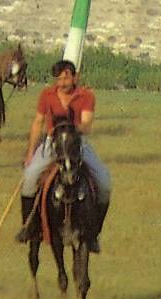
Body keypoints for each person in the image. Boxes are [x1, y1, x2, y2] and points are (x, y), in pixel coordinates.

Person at [16, 60, 112, 252]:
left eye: (66, 77)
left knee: (104, 182)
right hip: (52, 143)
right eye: (59, 79)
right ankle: (29, 227)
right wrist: (30, 152)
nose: (62, 82)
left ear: (75, 77)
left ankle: (93, 233)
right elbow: (38, 122)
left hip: (77, 143)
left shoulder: (86, 96)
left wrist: (69, 130)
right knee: (30, 177)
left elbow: (86, 125)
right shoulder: (46, 95)